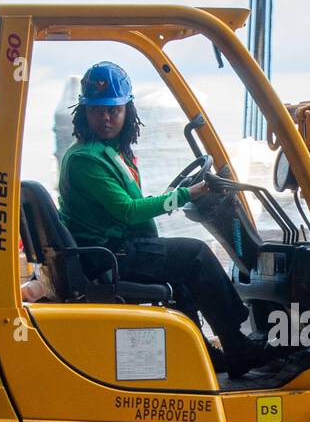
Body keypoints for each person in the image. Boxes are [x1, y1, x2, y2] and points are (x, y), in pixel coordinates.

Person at [57, 61, 270, 377]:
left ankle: (204, 354)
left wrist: (180, 194)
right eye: (96, 110)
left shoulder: (110, 152)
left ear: (127, 111)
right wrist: (188, 194)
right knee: (196, 254)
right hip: (108, 256)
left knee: (181, 270)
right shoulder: (85, 159)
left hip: (115, 250)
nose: (105, 118)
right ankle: (236, 344)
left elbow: (134, 204)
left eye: (113, 110)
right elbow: (129, 210)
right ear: (83, 113)